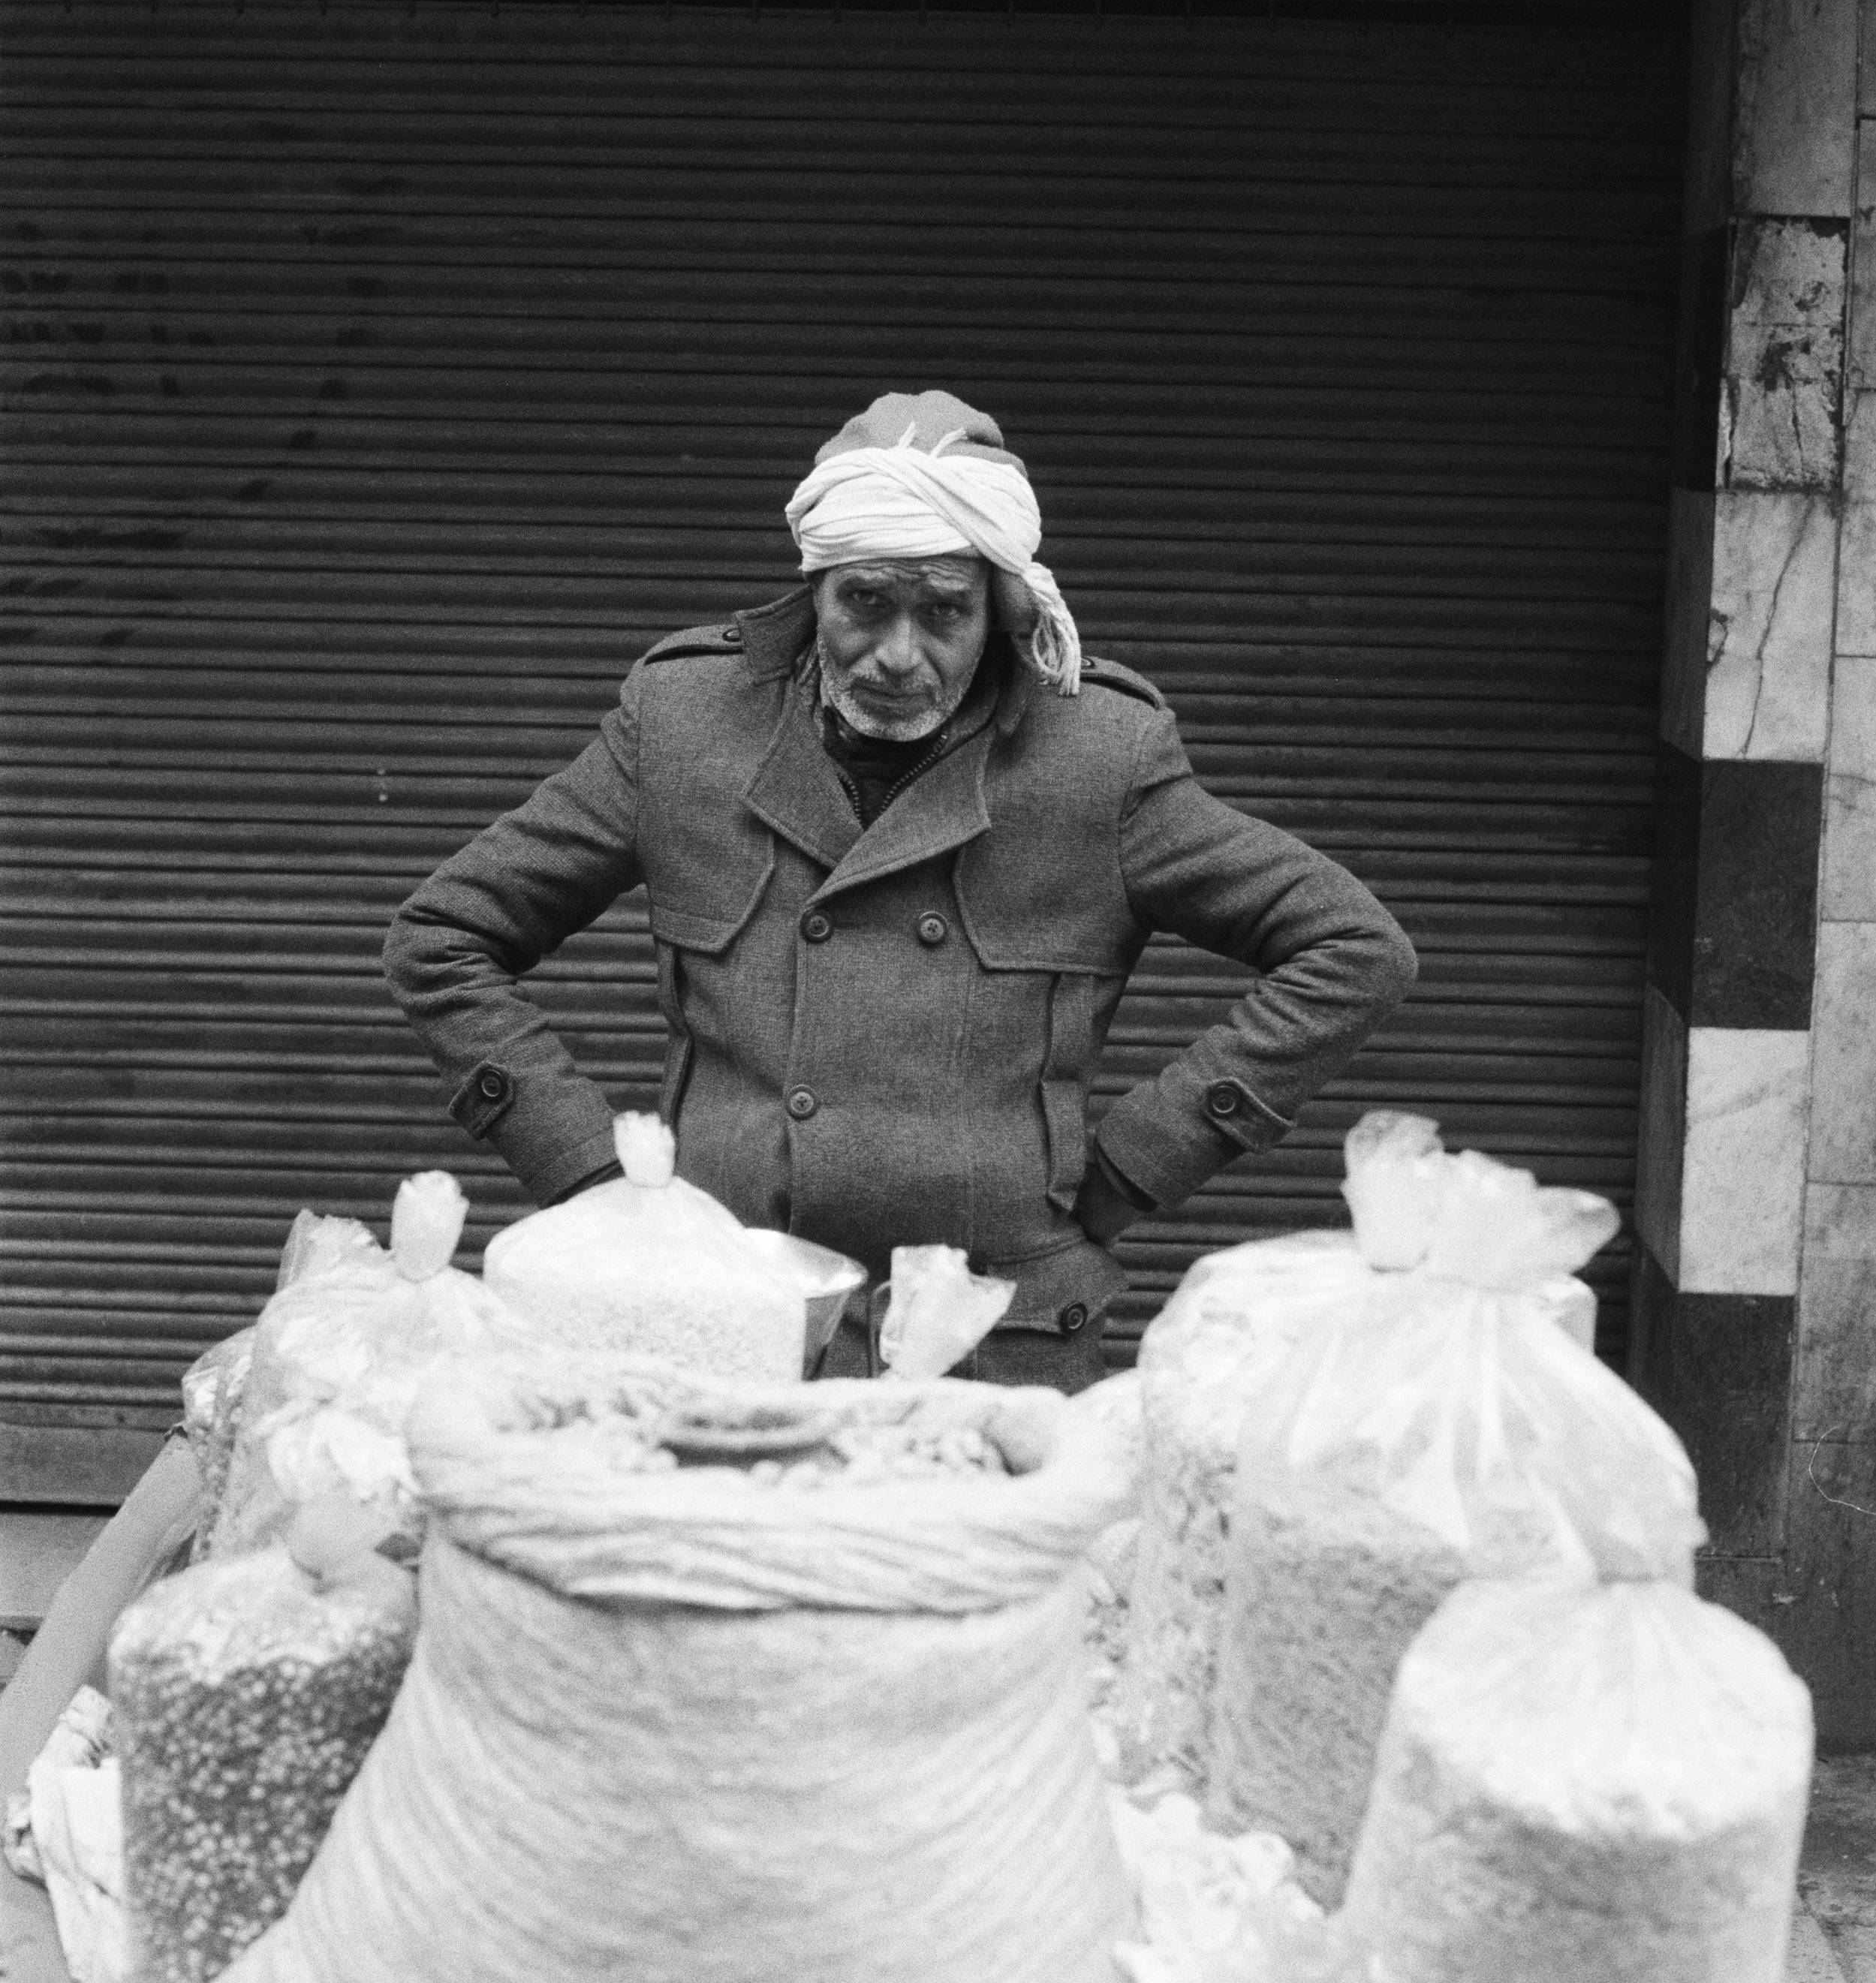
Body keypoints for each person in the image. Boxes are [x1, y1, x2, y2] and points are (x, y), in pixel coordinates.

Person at [382, 390, 1419, 1389]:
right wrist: (603, 1192)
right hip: (723, 1330)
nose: (897, 654)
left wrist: (1134, 1166)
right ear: (815, 591)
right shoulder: (688, 721)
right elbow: (442, 936)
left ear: (1003, 609)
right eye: (865, 603)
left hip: (992, 1342)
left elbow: (1354, 950)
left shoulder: (1098, 756)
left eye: (944, 611)